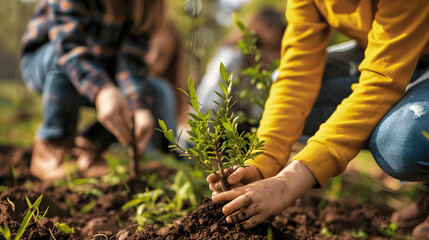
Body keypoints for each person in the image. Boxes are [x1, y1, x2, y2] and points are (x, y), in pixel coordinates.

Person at [207, 0, 429, 239]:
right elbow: (297, 75)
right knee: (279, 82)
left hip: (405, 56)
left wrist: (288, 183)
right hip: (393, 50)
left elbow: (381, 81)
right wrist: (262, 161)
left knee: (403, 142)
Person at [20, 0, 177, 182]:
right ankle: (53, 147)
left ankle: (89, 146)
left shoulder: (140, 7)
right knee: (62, 58)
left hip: (101, 71)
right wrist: (102, 89)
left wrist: (138, 106)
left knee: (154, 91)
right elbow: (68, 46)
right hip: (49, 65)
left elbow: (130, 62)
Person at [196, 8, 286, 124]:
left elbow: (258, 116)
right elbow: (208, 105)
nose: (275, 57)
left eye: (278, 50)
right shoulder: (230, 58)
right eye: (270, 48)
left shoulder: (269, 76)